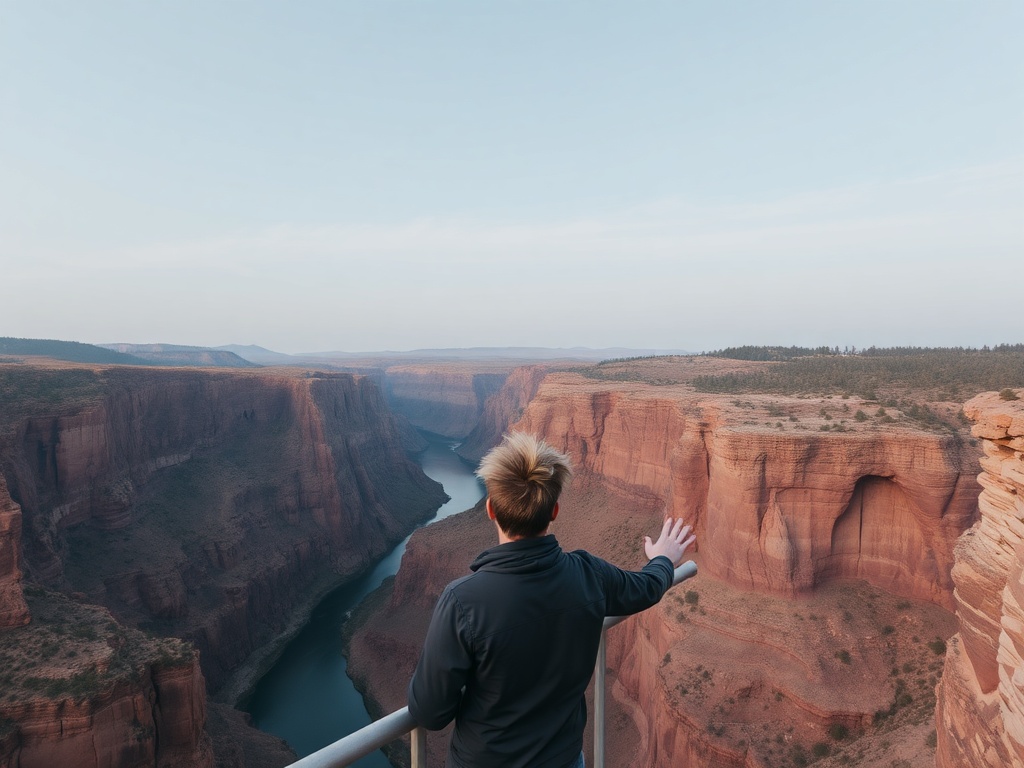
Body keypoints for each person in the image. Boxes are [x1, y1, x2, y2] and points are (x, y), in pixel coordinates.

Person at [407, 432, 696, 768]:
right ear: (555, 510)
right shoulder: (590, 575)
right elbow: (646, 588)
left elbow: (430, 712)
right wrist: (662, 558)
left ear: (489, 509)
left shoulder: (463, 601)